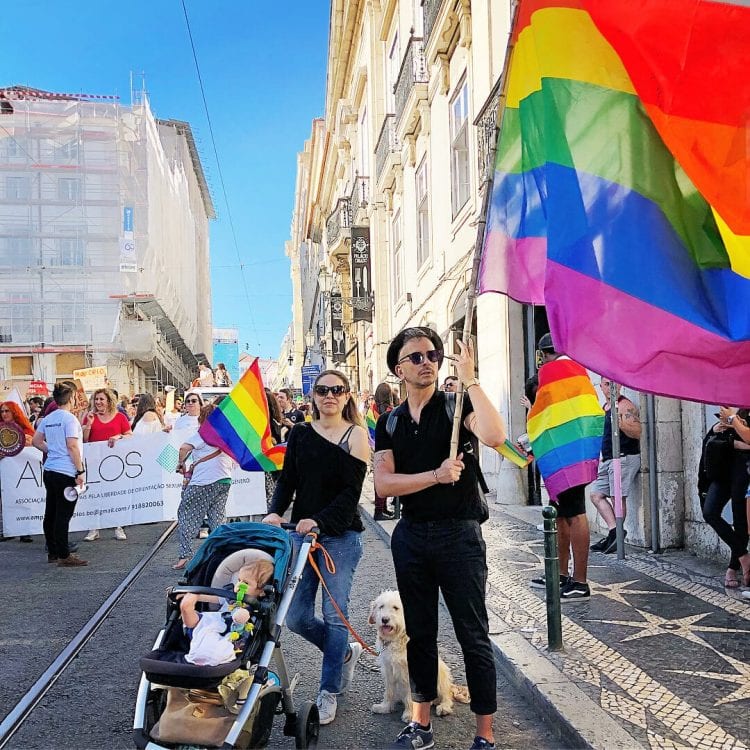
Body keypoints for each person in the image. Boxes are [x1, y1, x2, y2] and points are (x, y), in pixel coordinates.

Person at [374, 326, 506, 750]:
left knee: (472, 633)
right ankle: (421, 723)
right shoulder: (389, 422)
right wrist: (434, 476)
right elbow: (384, 484)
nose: (427, 361)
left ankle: (484, 734)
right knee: (421, 636)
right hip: (411, 536)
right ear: (399, 368)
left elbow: (495, 435)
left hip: (459, 536)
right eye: (416, 357)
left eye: (433, 355)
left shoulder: (456, 405)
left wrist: (470, 379)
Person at [263, 369, 369, 726]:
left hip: (339, 537)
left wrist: (319, 521)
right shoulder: (301, 434)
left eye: (337, 390)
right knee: (295, 617)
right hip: (300, 534)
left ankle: (329, 690)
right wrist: (275, 512)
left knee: (336, 616)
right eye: (323, 390)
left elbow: (350, 496)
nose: (330, 396)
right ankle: (341, 655)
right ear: (313, 396)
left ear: (347, 395)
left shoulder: (356, 436)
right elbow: (288, 479)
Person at [528, 333, 603, 600]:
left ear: (545, 354)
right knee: (561, 514)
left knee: (573, 513)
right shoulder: (579, 372)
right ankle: (559, 574)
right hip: (575, 450)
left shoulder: (554, 371)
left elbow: (544, 411)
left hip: (564, 453)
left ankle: (580, 581)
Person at [172, 403, 237, 570]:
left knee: (186, 514)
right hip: (224, 480)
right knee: (217, 519)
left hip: (203, 482)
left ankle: (185, 556)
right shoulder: (227, 435)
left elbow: (183, 448)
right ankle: (222, 556)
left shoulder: (203, 434)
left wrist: (181, 463)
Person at [31, 381, 88, 567]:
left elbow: (36, 441)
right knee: (64, 514)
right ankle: (64, 554)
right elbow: (72, 445)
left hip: (50, 469)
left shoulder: (48, 418)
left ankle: (53, 551)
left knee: (51, 511)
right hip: (66, 471)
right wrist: (80, 470)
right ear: (71, 397)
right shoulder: (70, 419)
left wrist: (52, 450)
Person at [590, 379, 642, 554]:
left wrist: (621, 423)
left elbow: (637, 432)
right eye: (606, 384)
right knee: (596, 495)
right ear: (601, 386)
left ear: (620, 385)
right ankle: (615, 531)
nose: (611, 387)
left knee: (617, 498)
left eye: (614, 383)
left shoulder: (624, 406)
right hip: (608, 459)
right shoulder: (606, 406)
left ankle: (616, 535)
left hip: (623, 458)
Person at [700, 407, 750, 588]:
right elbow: (711, 440)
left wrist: (734, 431)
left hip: (743, 469)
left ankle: (733, 567)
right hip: (721, 468)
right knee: (709, 512)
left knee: (740, 520)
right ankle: (743, 555)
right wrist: (717, 430)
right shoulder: (729, 406)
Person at [81, 388, 133, 542]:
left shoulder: (120, 417)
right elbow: (85, 440)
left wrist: (119, 436)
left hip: (115, 462)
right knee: (95, 495)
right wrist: (88, 424)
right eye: (96, 399)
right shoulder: (89, 416)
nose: (98, 402)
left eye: (101, 399)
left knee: (115, 495)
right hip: (95, 461)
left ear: (109, 401)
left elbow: (129, 436)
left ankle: (118, 526)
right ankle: (94, 528)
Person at [0, 401, 35, 543]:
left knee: (22, 498)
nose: (4, 414)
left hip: (21, 472)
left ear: (14, 412)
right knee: (4, 500)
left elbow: (35, 444)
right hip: (4, 471)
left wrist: (27, 442)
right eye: (2, 411)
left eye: (7, 411)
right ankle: (6, 529)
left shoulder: (25, 430)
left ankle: (24, 530)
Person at [368, 382, 396, 520]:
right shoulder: (390, 410)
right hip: (388, 448)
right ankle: (381, 510)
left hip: (374, 446)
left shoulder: (371, 409)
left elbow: (369, 426)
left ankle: (381, 509)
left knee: (378, 479)